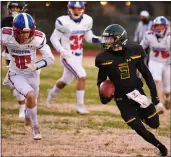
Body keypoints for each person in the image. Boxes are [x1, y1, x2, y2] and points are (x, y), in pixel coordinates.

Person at [95, 24, 168, 157]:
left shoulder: (135, 51)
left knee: (155, 124)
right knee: (138, 127)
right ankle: (160, 146)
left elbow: (147, 74)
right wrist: (103, 96)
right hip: (121, 98)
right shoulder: (103, 58)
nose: (107, 42)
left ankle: (141, 114)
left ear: (118, 39)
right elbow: (100, 81)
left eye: (110, 39)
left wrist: (154, 96)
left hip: (137, 93)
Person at [1, 13, 55, 140]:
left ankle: (27, 114)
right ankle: (36, 127)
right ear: (14, 30)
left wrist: (36, 65)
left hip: (33, 73)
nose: (25, 35)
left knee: (32, 100)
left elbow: (50, 58)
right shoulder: (5, 34)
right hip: (16, 72)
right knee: (30, 96)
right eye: (22, 32)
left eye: (28, 32)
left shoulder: (38, 37)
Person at [46, 1, 101, 114]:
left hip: (78, 56)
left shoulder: (87, 20)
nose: (76, 11)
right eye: (74, 8)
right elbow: (53, 38)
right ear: (69, 9)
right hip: (68, 55)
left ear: (83, 9)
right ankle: (80, 106)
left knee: (65, 80)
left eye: (79, 8)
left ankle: (51, 93)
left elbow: (89, 38)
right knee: (82, 75)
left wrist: (101, 39)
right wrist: (62, 50)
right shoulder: (63, 21)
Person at [2, 1, 27, 118]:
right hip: (9, 53)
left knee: (18, 80)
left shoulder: (27, 19)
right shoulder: (6, 20)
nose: (15, 9)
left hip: (22, 53)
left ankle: (22, 109)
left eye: (17, 7)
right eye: (13, 7)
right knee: (14, 82)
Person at [140, 16, 171, 112]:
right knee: (157, 81)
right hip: (154, 61)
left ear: (165, 26)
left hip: (167, 63)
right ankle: (160, 105)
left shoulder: (169, 36)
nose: (159, 28)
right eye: (157, 25)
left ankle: (167, 97)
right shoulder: (149, 35)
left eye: (161, 25)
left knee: (167, 90)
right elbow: (141, 47)